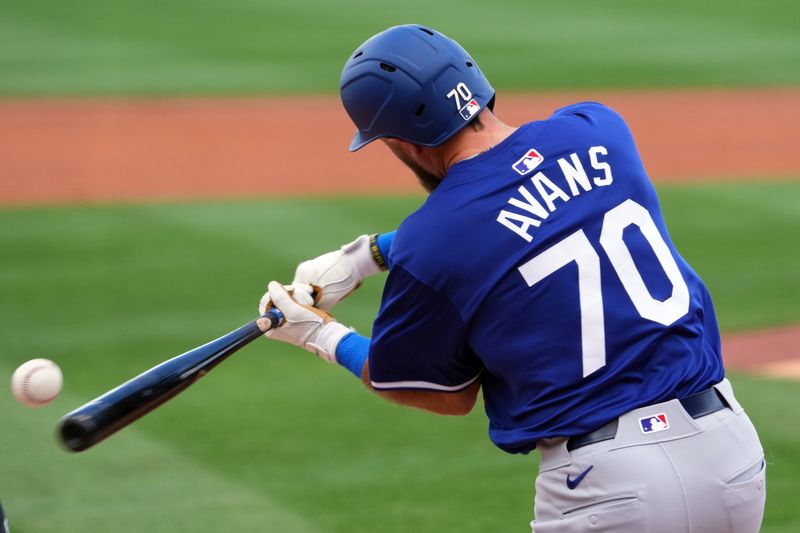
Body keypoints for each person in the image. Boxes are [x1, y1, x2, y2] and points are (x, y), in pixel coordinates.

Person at [259, 25, 766, 532]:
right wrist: (367, 256)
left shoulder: (432, 241)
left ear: (399, 143)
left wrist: (319, 333)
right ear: (478, 86)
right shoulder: (597, 128)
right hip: (730, 455)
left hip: (612, 488)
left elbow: (441, 392)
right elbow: (533, 209)